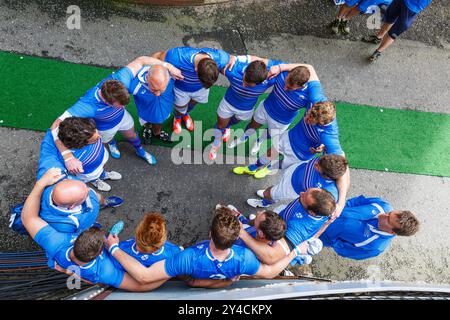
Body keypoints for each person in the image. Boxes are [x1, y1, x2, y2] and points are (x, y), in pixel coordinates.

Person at [21, 168, 167, 292]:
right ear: (100, 252)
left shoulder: (57, 242)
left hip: (65, 265)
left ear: (76, 239)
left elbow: (28, 218)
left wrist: (40, 184)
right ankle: (113, 239)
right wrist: (169, 273)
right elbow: (139, 286)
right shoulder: (102, 271)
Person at [105, 207, 306, 289]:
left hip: (192, 272)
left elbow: (145, 277)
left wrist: (114, 249)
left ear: (210, 234)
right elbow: (269, 272)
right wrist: (294, 252)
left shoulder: (188, 257)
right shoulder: (245, 258)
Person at [49, 56, 182, 173]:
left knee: (132, 135)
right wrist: (68, 157)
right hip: (105, 127)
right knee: (108, 139)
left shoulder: (121, 78)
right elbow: (55, 124)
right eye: (120, 105)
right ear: (108, 101)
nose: (123, 106)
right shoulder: (88, 105)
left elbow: (141, 61)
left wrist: (168, 66)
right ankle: (112, 144)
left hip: (122, 118)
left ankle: (140, 150)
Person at [228, 62, 326, 156]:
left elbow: (317, 114)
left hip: (282, 121)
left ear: (301, 86)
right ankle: (243, 137)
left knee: (269, 134)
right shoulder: (282, 74)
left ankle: (259, 141)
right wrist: (234, 59)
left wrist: (322, 143)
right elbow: (259, 65)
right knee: (253, 125)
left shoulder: (309, 95)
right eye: (286, 83)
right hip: (266, 108)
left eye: (290, 87)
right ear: (289, 73)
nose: (285, 88)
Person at [209, 55, 283, 160]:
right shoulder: (233, 70)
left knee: (232, 122)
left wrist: (280, 68)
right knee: (220, 125)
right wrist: (233, 58)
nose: (244, 84)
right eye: (244, 80)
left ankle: (227, 127)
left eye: (248, 84)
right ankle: (216, 144)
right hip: (228, 104)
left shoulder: (270, 79)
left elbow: (289, 67)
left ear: (261, 82)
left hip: (246, 110)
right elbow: (215, 59)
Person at [237, 188, 336, 266]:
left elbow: (271, 257)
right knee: (259, 220)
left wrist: (242, 233)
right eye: (306, 191)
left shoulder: (298, 230)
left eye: (304, 197)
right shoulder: (327, 202)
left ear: (311, 213)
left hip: (268, 232)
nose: (301, 193)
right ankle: (244, 221)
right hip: (278, 218)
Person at [152, 46, 236, 134]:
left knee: (193, 103)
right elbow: (156, 56)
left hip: (201, 89)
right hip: (181, 89)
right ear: (195, 70)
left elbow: (231, 58)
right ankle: (177, 118)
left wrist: (233, 58)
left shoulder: (220, 58)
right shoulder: (178, 56)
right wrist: (169, 67)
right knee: (180, 107)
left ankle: (185, 114)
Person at [315, 195, 420, 259]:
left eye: (387, 220)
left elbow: (344, 250)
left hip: (316, 233)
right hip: (323, 208)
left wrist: (329, 236)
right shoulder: (383, 206)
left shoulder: (375, 247)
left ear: (392, 232)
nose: (383, 215)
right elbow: (357, 201)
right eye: (389, 213)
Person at [42, 117, 121, 192]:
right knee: (94, 176)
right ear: (80, 145)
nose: (99, 136)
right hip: (90, 172)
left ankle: (103, 174)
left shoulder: (89, 130)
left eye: (96, 131)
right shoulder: (71, 158)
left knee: (101, 170)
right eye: (94, 140)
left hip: (101, 158)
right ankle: (95, 181)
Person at [246, 154, 349, 210]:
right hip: (294, 169)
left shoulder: (327, 191)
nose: (315, 164)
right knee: (275, 186)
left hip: (290, 189)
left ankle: (265, 202)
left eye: (317, 166)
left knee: (268, 193)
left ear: (326, 176)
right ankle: (271, 196)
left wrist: (340, 204)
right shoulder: (328, 159)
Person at [124, 57, 183, 146]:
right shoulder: (134, 85)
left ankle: (157, 133)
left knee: (159, 122)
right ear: (147, 78)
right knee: (147, 124)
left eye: (162, 90)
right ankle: (147, 130)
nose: (158, 94)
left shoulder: (172, 76)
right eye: (154, 89)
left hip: (164, 111)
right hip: (145, 114)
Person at [362, 0, 433, 61]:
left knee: (394, 32)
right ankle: (378, 38)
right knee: (390, 18)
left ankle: (378, 52)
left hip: (412, 8)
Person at [112, 212, 183, 269]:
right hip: (157, 262)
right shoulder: (170, 253)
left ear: (138, 233)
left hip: (127, 262)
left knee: (112, 243)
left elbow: (116, 261)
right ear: (162, 240)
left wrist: (114, 246)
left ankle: (113, 235)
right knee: (179, 250)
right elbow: (179, 255)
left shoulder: (122, 249)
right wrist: (179, 251)